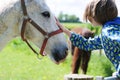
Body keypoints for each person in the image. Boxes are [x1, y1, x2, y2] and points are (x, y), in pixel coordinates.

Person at [56, 0, 120, 80]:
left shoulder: (109, 30)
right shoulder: (112, 29)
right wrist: (65, 30)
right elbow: (87, 44)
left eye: (89, 17)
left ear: (96, 15)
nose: (88, 19)